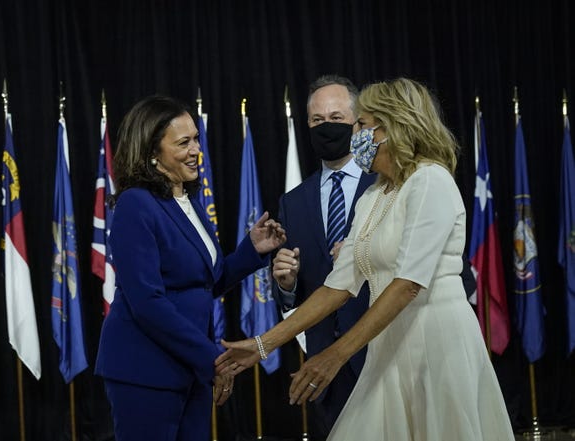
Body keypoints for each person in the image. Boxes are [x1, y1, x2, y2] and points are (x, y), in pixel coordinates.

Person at [217, 78, 515, 441]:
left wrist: (336, 355)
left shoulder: (430, 181)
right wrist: (263, 344)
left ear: (393, 128)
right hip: (387, 348)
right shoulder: (373, 196)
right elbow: (338, 285)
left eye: (361, 124)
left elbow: (407, 285)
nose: (353, 133)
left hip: (435, 345)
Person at [95, 95, 286, 441]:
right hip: (146, 369)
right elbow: (147, 302)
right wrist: (214, 359)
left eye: (196, 139)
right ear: (152, 151)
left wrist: (251, 250)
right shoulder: (135, 204)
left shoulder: (189, 203)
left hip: (191, 367)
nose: (196, 149)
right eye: (183, 142)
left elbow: (203, 283)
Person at [272, 74, 376, 438]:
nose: (325, 127)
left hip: (382, 357)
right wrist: (286, 285)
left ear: (357, 121)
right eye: (317, 120)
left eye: (336, 118)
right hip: (324, 370)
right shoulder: (293, 201)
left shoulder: (384, 184)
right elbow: (299, 294)